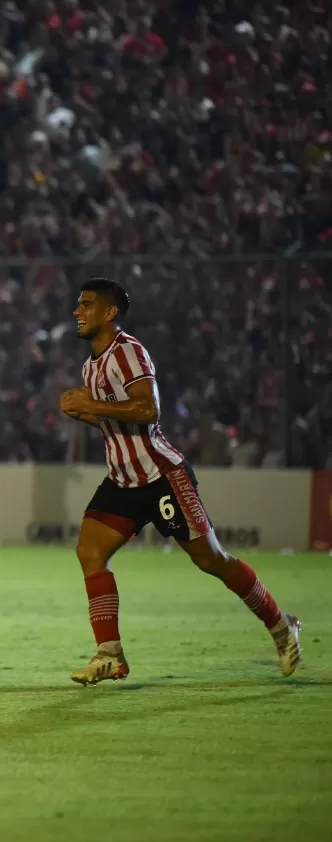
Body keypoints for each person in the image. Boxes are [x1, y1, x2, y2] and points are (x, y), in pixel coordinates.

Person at [59, 278, 301, 685]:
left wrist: (91, 404)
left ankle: (281, 626)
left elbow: (149, 410)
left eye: (86, 305)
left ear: (109, 312)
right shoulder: (91, 365)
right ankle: (110, 654)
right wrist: (82, 412)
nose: (76, 311)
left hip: (161, 477)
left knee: (213, 560)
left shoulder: (129, 352)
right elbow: (113, 419)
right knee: (90, 551)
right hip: (122, 481)